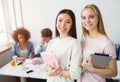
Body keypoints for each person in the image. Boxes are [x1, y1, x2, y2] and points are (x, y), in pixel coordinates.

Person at [77, 4, 117, 82]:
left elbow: (113, 72)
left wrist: (92, 69)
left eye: (91, 17)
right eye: (84, 18)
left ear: (98, 18)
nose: (87, 21)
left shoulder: (106, 43)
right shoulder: (83, 39)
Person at [44, 9, 82, 82]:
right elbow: (46, 65)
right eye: (60, 20)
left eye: (67, 22)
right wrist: (49, 71)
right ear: (56, 22)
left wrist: (58, 72)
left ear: (72, 25)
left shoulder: (74, 43)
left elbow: (76, 73)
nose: (62, 25)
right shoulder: (51, 42)